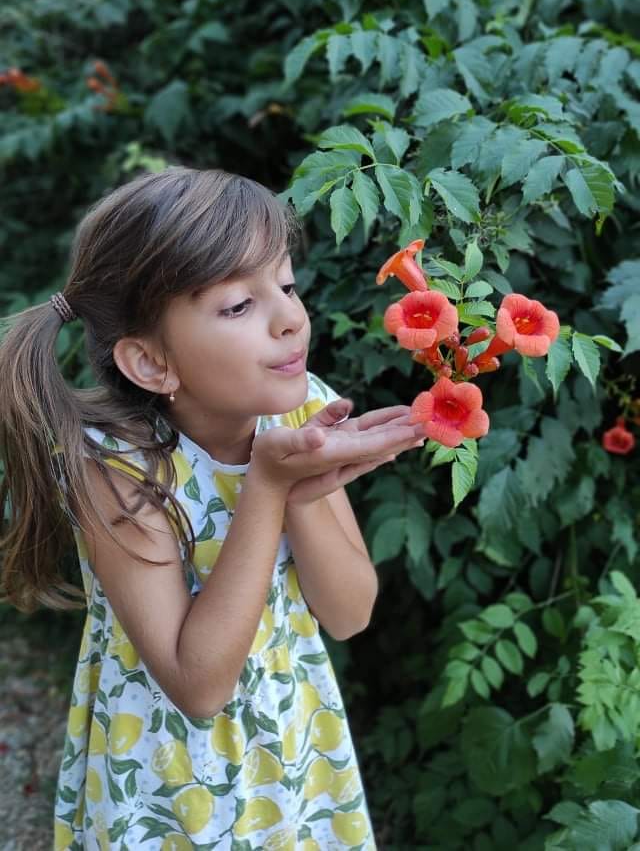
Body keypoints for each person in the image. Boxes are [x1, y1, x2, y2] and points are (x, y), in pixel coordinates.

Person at [0, 166, 427, 850]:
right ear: (151, 363)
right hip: (169, 782)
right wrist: (269, 488)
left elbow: (350, 614)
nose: (290, 318)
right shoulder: (116, 470)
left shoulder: (299, 409)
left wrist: (305, 490)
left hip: (293, 752)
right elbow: (197, 686)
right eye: (238, 306)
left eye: (286, 285)